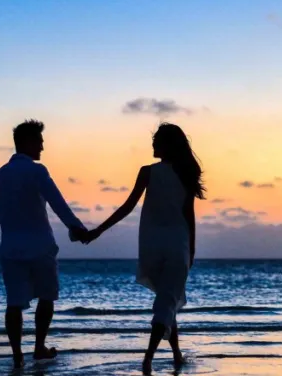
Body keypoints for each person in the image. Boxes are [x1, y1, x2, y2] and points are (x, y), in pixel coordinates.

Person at [82, 123, 204, 375]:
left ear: (168, 144)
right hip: (177, 244)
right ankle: (148, 358)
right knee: (166, 302)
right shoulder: (186, 171)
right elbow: (188, 214)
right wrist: (191, 249)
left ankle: (176, 355)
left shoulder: (147, 172)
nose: (153, 145)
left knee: (167, 300)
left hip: (151, 246)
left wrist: (98, 231)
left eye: (157, 141)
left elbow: (127, 207)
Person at [0, 119, 88, 369]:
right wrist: (76, 228)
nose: (42, 147)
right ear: (26, 142)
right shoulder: (37, 171)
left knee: (14, 303)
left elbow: (1, 212)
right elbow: (57, 202)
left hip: (10, 246)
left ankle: (17, 355)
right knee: (46, 297)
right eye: (39, 141)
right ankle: (38, 347)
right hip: (39, 245)